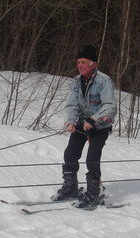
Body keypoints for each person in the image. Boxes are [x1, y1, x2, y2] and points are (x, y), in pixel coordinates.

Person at [53, 45, 117, 209]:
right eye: (78, 62)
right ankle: (70, 187)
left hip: (100, 126)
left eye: (83, 62)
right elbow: (72, 105)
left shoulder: (104, 81)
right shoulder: (76, 81)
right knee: (70, 154)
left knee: (92, 158)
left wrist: (94, 120)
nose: (80, 65)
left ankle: (94, 192)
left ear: (93, 64)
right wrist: (71, 121)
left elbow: (110, 106)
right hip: (82, 124)